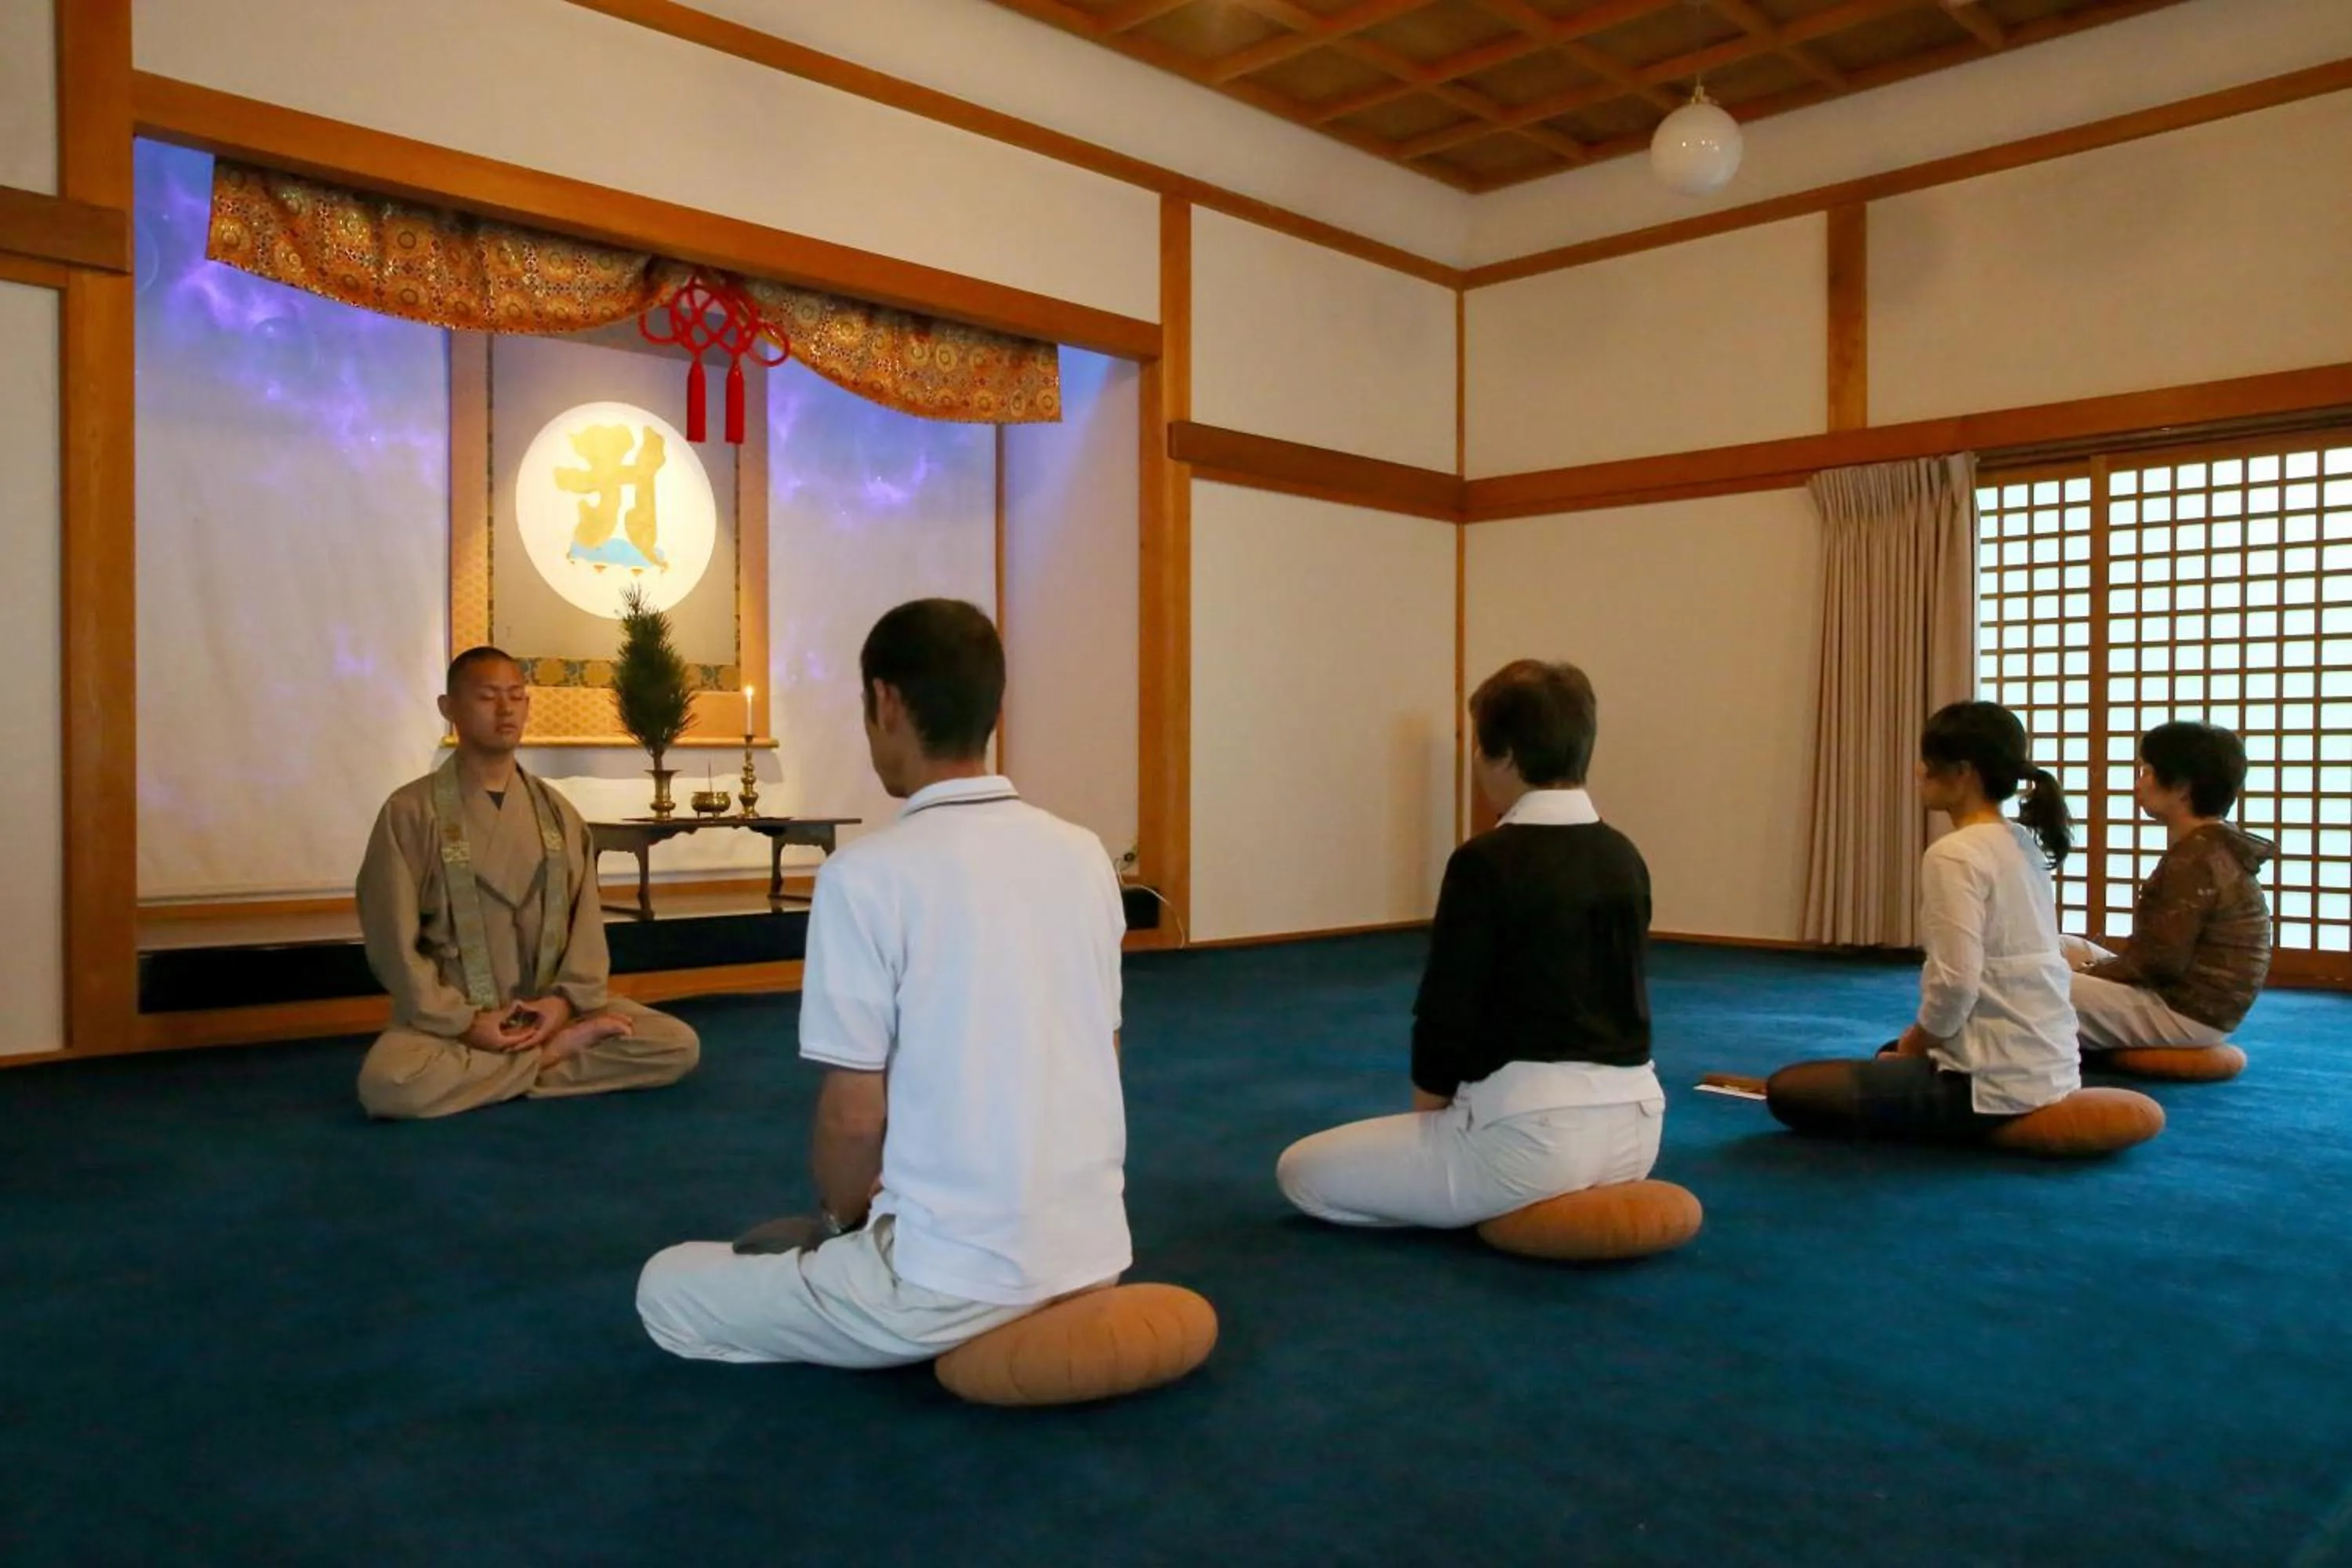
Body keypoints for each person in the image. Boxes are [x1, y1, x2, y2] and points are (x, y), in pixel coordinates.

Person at [635, 599, 1130, 1367]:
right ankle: (1029, 1301)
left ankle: (941, 1310)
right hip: (1094, 1254)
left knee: (663, 1286)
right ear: (993, 706)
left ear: (886, 702)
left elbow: (854, 1117)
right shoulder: (1085, 854)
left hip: (937, 1279)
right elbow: (1105, 1054)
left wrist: (836, 1224)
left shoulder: (863, 876)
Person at [1274, 659, 1664, 1230]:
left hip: (1529, 1143)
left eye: (1481, 749)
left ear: (1505, 755)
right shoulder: (1625, 857)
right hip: (1638, 1137)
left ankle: (1491, 1204)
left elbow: (1446, 1009)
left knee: (1301, 1172)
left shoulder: (1486, 861)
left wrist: (1434, 1127)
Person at [353, 647, 700, 1120]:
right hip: (456, 1019)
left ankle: (501, 1070)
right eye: (488, 696)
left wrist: (562, 1005)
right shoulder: (410, 813)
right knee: (391, 1085)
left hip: (550, 1011)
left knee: (676, 1045)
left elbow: (586, 931)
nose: (505, 709)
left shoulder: (560, 814)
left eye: (516, 696)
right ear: (448, 708)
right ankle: (550, 1058)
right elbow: (392, 942)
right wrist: (464, 1021)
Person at [1766, 702, 2078, 1142]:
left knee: (1790, 1090)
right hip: (2052, 1066)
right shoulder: (2021, 840)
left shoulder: (1955, 854)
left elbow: (1956, 984)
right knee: (1885, 1055)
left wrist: (1915, 1046)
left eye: (1929, 764)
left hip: (1986, 1083)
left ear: (1962, 772)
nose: (1918, 771)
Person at [2063, 720, 2273, 1056]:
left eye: (2147, 772)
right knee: (2063, 948)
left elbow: (2158, 964)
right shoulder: (2207, 843)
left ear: (2181, 789)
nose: (2138, 784)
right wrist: (2087, 969)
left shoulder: (2197, 858)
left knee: (2028, 985)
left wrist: (2088, 972)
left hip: (2185, 1010)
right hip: (2186, 997)